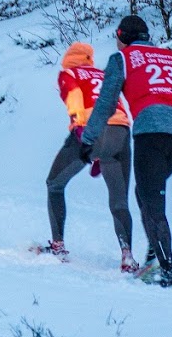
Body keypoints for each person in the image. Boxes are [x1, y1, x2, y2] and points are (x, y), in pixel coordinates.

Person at [80, 14, 172, 288]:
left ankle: (166, 270)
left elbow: (106, 103)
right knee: (146, 192)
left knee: (153, 202)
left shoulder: (121, 59)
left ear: (122, 38)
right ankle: (154, 256)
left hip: (150, 131)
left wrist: (89, 139)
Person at [38, 42, 136, 271]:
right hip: (121, 130)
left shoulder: (69, 73)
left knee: (54, 183)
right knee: (119, 199)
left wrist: (78, 123)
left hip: (91, 129)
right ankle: (127, 255)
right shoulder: (102, 74)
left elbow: (74, 96)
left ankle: (58, 245)